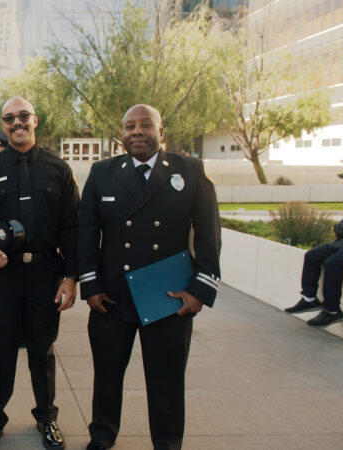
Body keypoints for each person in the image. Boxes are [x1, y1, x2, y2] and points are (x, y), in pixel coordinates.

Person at [78, 104, 221, 450]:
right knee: (107, 377)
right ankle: (102, 436)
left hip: (167, 297)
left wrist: (199, 290)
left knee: (167, 380)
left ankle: (168, 442)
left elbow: (208, 235)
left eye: (145, 125)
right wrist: (91, 286)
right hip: (113, 296)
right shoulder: (102, 172)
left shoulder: (190, 170)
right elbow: (85, 233)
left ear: (161, 131)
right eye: (130, 126)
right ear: (121, 134)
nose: (137, 131)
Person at [0, 97, 79, 450]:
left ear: (35, 120)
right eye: (10, 118)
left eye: (23, 116)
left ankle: (47, 419)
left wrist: (72, 277)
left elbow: (73, 227)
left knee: (42, 351)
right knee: (1, 351)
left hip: (47, 272)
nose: (17, 122)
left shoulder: (59, 169)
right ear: (4, 123)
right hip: (3, 275)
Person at [285, 168, 343, 327]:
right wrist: (340, 229)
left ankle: (332, 311)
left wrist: (338, 229)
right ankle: (309, 298)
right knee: (312, 255)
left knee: (332, 263)